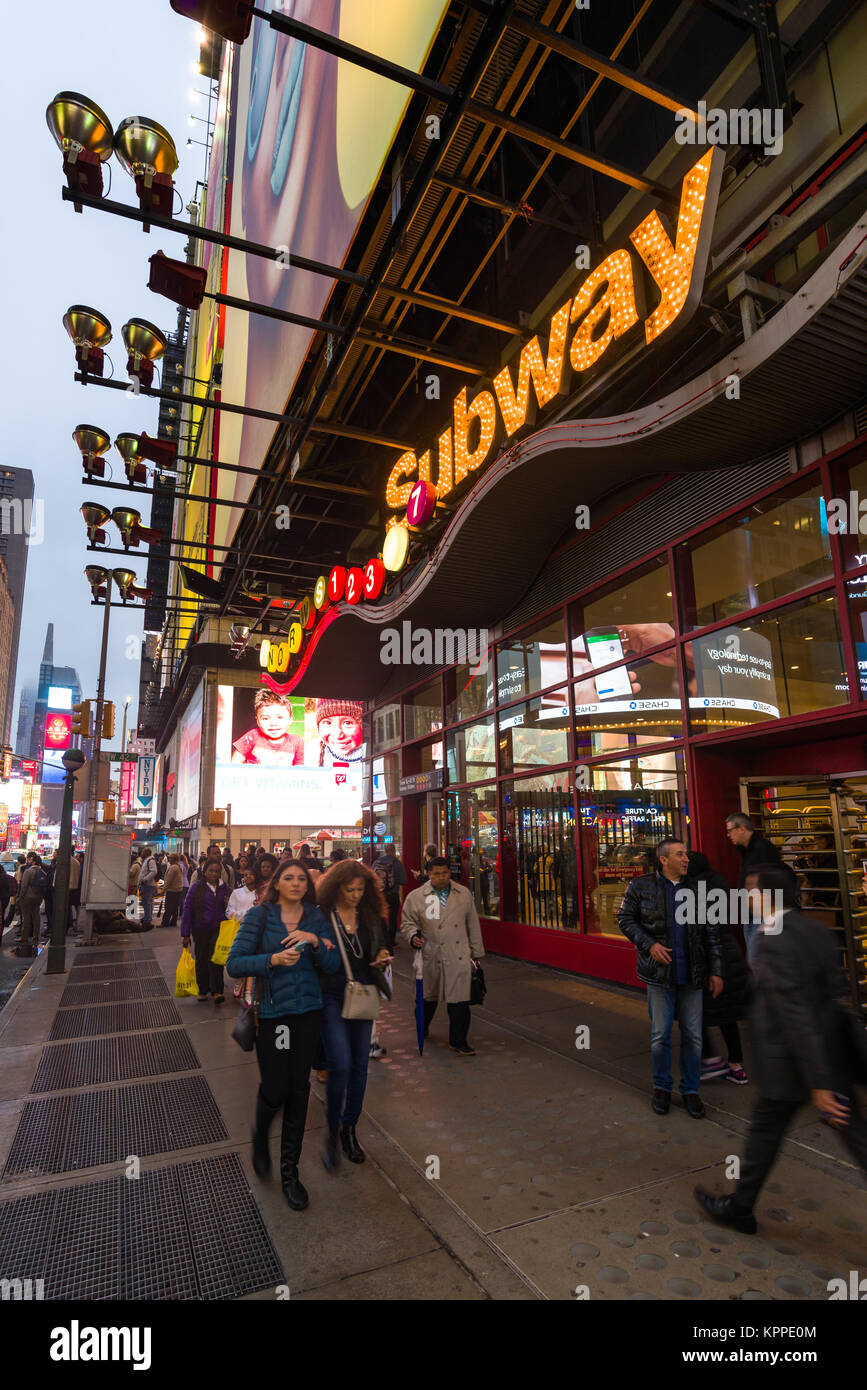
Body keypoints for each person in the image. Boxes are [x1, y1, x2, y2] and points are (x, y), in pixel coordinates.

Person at [696, 863, 867, 1233]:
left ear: (767, 896)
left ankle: (739, 1207)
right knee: (784, 1134)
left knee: (771, 1134)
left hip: (794, 1063)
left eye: (752, 891)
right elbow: (836, 993)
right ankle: (739, 1206)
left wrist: (819, 1082)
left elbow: (795, 1013)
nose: (747, 897)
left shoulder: (773, 938)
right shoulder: (816, 931)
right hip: (829, 1054)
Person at [226, 859, 340, 1211]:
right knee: (276, 1088)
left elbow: (334, 966)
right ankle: (261, 1135)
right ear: (277, 883)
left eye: (301, 879)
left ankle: (290, 1172)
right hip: (275, 1018)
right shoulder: (261, 916)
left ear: (309, 885)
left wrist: (316, 941)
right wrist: (272, 960)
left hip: (307, 1015)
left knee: (299, 1089)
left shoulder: (316, 916)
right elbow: (234, 963)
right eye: (288, 878)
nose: (295, 883)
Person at [618, 839, 723, 1117]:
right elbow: (626, 919)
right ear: (664, 860)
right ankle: (662, 1088)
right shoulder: (641, 886)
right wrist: (649, 944)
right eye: (680, 854)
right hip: (659, 975)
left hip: (693, 974)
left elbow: (711, 932)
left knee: (694, 1037)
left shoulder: (698, 889)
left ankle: (691, 1091)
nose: (686, 858)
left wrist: (715, 970)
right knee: (660, 1035)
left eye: (686, 854)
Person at [316, 860, 392, 1169]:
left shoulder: (371, 917)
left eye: (361, 889)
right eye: (350, 890)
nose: (356, 895)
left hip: (363, 993)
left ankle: (349, 1129)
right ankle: (332, 1131)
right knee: (341, 1063)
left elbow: (381, 947)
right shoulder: (321, 917)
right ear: (336, 888)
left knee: (361, 1065)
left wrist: (382, 957)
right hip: (331, 996)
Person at [400, 856, 485, 1056]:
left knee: (459, 1002)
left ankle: (459, 1040)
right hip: (431, 954)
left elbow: (472, 924)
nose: (441, 877)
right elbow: (408, 922)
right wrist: (412, 936)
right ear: (428, 874)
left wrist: (476, 952)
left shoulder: (463, 893)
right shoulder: (417, 896)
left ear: (450, 872)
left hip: (458, 954)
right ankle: (424, 1025)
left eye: (444, 873)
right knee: (427, 999)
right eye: (436, 873)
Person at [689, 851, 749, 1085]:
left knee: (695, 1011)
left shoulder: (692, 891)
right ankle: (737, 1065)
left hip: (710, 958)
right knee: (727, 1015)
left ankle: (709, 1059)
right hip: (730, 953)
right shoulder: (720, 883)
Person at [725, 812, 781, 960]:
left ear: (742, 828)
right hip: (751, 914)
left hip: (762, 915)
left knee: (760, 960)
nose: (728, 835)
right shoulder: (747, 851)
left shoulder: (762, 850)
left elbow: (772, 884)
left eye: (730, 830)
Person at [180, 859, 230, 1003]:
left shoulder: (224, 888)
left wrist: (228, 903)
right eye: (211, 871)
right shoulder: (196, 887)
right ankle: (203, 989)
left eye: (217, 871)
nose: (214, 874)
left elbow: (232, 905)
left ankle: (217, 991)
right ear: (204, 871)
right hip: (200, 930)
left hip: (218, 929)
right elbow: (187, 910)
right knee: (201, 959)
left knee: (216, 959)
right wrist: (185, 934)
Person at [231, 689, 305, 765]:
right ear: (257, 720)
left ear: (290, 719)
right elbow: (234, 763)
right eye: (265, 718)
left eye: (280, 717)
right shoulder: (252, 736)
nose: (273, 723)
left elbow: (300, 770)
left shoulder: (297, 742)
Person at [372, 843, 407, 954]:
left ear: (385, 851)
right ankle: (391, 941)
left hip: (380, 895)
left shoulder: (377, 862)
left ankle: (381, 941)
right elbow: (403, 880)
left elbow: (372, 878)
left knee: (379, 917)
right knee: (392, 919)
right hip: (393, 895)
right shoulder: (397, 863)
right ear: (394, 851)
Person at [314, 698, 364, 765]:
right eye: (328, 723)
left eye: (348, 723)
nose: (337, 734)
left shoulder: (375, 754)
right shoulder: (312, 755)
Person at [16, 853, 46, 954]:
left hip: (27, 897)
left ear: (33, 862)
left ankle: (24, 937)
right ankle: (35, 935)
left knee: (26, 917)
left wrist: (20, 897)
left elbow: (24, 886)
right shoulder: (42, 872)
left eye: (30, 860)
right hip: (38, 898)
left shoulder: (28, 871)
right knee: (36, 916)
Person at [138, 848, 159, 929]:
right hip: (147, 885)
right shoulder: (147, 860)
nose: (141, 853)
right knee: (147, 903)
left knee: (147, 903)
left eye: (143, 851)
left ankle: (147, 920)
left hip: (148, 885)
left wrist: (145, 879)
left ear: (146, 853)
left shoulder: (150, 860)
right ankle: (147, 918)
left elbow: (154, 871)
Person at [162, 854, 184, 929]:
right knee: (175, 907)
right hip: (178, 889)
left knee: (168, 907)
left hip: (172, 890)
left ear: (173, 859)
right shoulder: (178, 866)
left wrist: (163, 890)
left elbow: (169, 879)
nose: (169, 859)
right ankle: (173, 922)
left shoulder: (173, 867)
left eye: (170, 858)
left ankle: (165, 922)